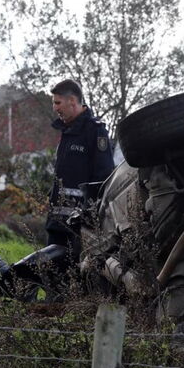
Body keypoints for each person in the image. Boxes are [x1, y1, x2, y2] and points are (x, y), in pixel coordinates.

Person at [47, 79, 114, 253]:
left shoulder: (96, 131)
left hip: (79, 227)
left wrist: (88, 217)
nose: (55, 108)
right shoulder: (67, 131)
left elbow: (104, 177)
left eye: (57, 102)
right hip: (57, 224)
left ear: (72, 101)